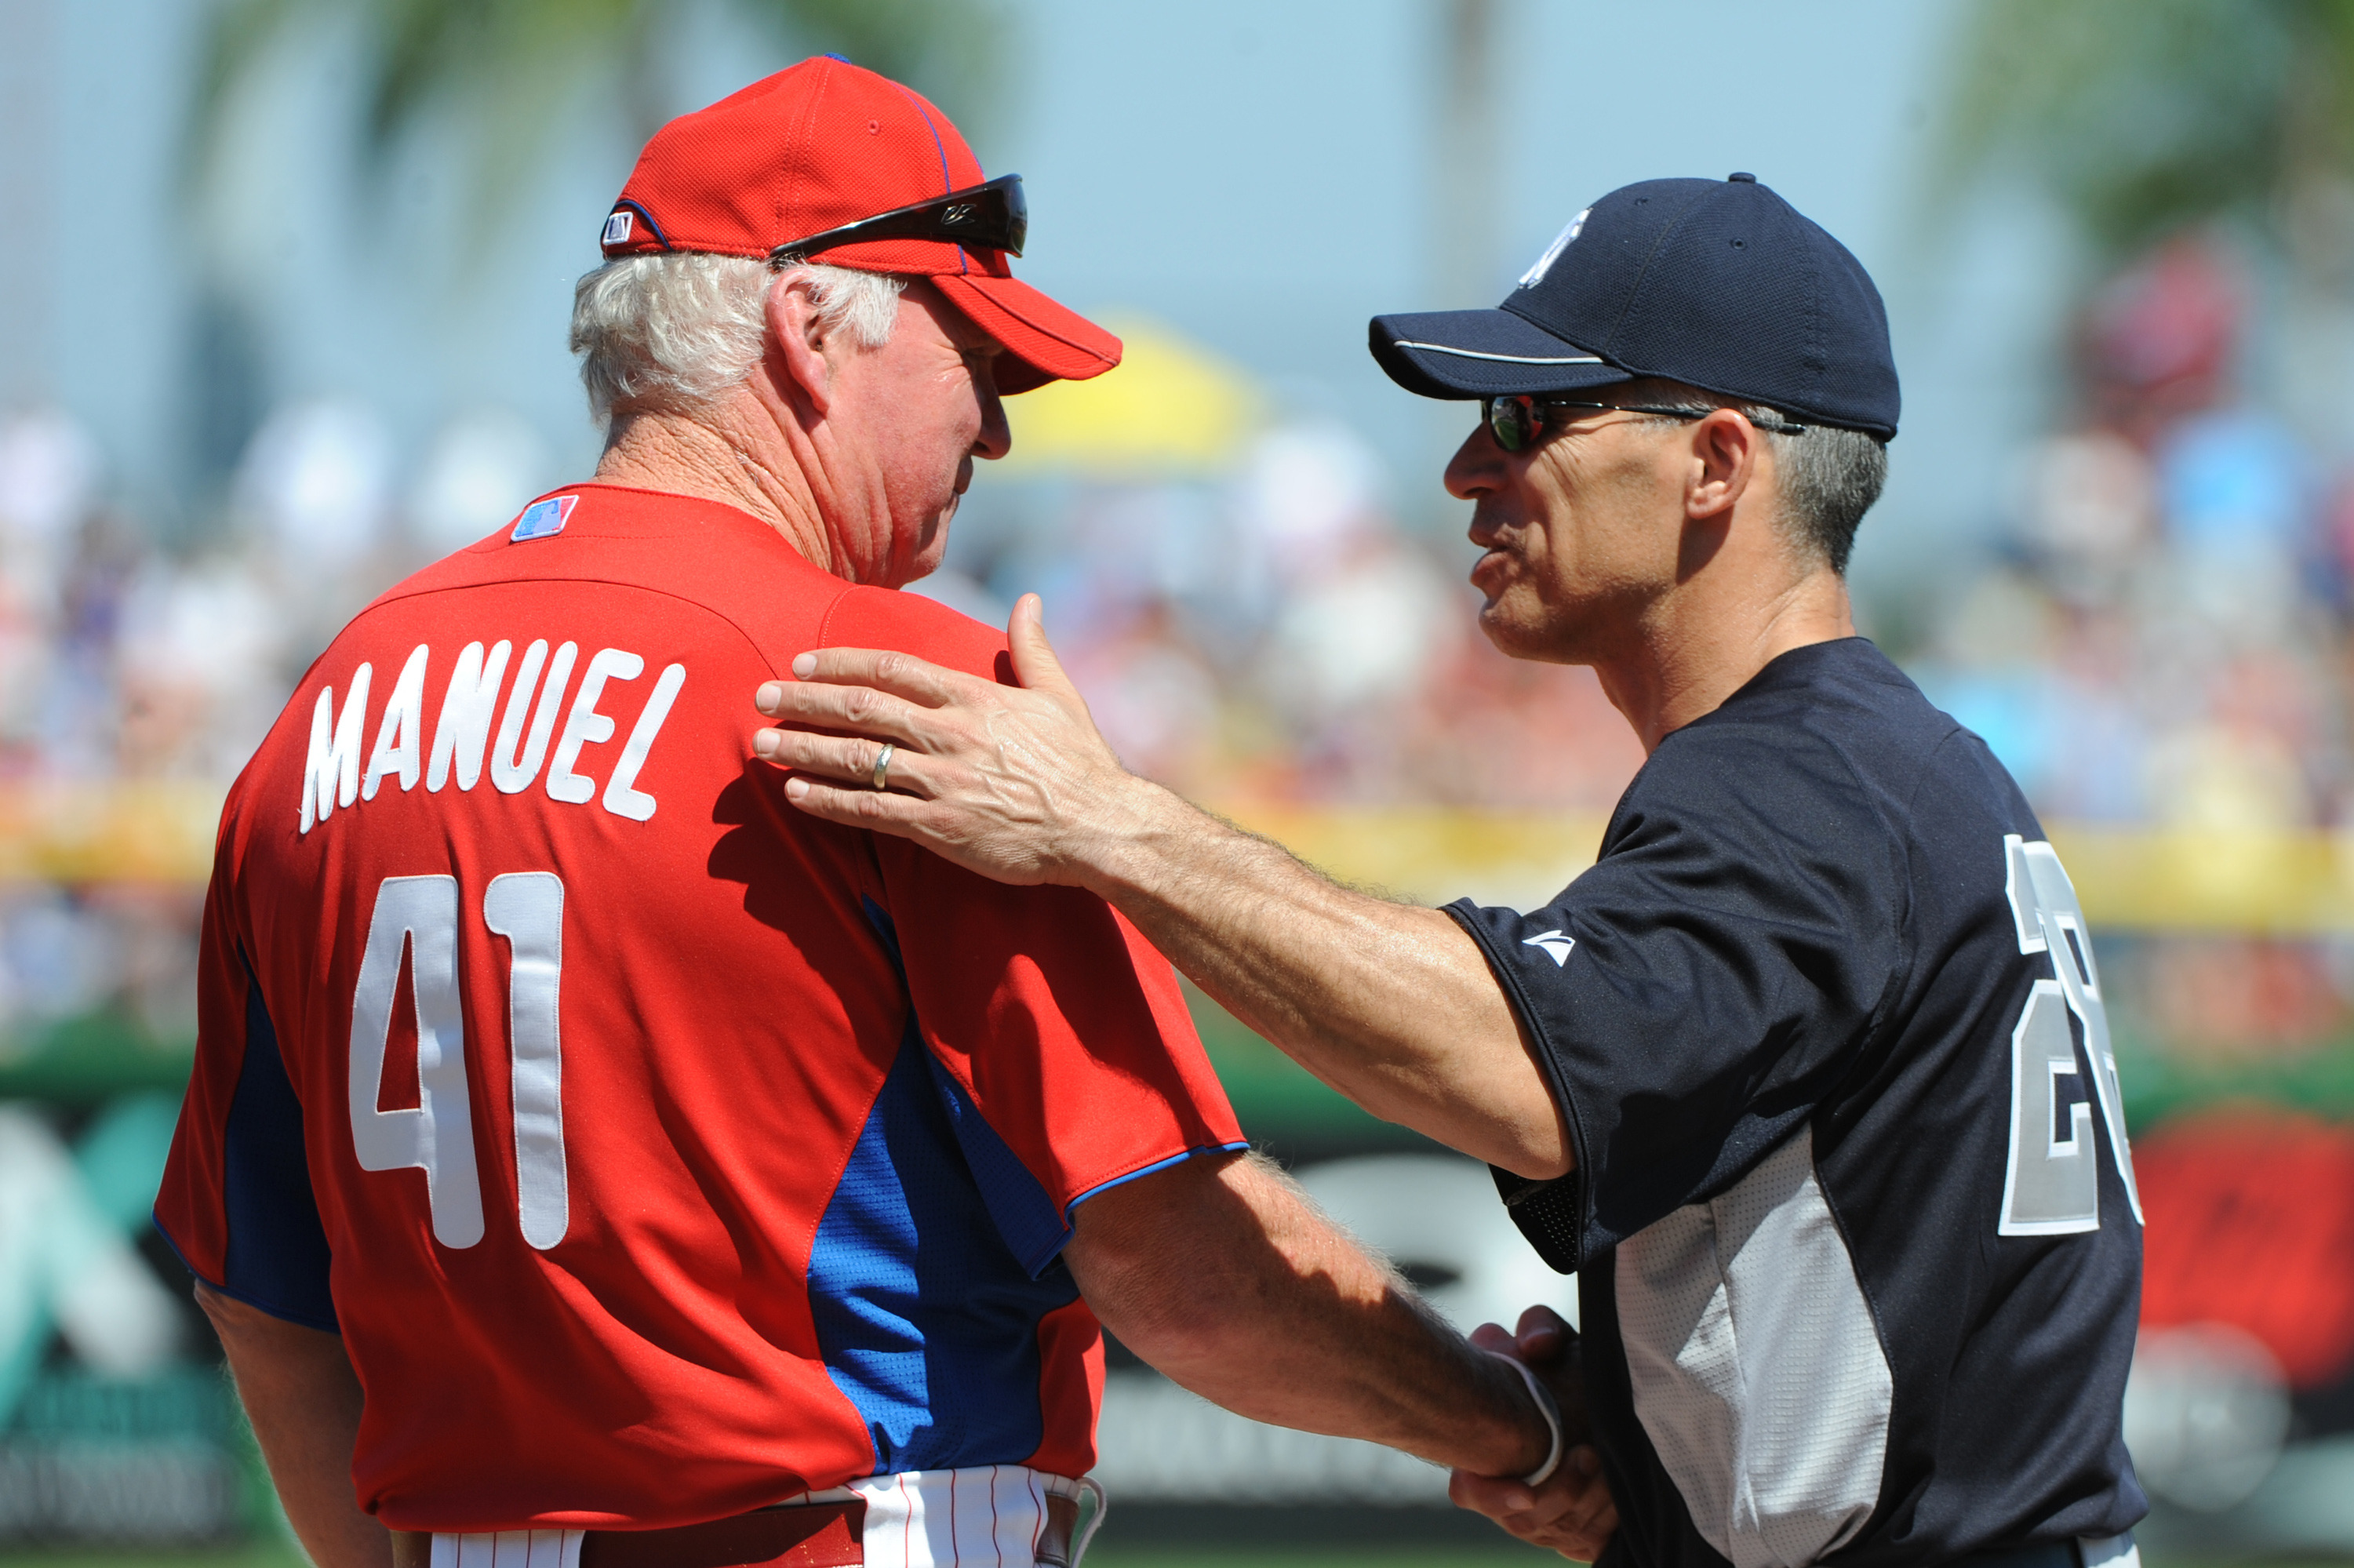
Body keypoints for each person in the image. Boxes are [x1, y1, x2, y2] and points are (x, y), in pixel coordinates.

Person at [151, 59, 1600, 1568]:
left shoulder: (330, 707)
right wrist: (1524, 1430)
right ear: (807, 327)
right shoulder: (898, 696)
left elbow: (266, 1302)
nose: (997, 432)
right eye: (977, 354)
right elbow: (1182, 1274)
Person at [754, 173, 2149, 1568]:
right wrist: (1635, 1423)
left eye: (1530, 416)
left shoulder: (1796, 784)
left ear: (1717, 463)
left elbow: (1523, 1072)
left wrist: (1105, 823)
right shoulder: (1884, 763)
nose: (1469, 469)